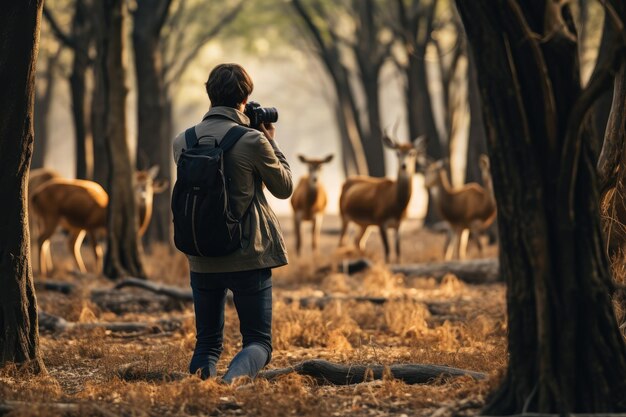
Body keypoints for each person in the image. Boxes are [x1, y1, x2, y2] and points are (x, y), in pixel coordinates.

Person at [172, 63, 293, 383]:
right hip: (247, 255)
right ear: (246, 97)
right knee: (258, 342)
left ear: (209, 94)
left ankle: (201, 390)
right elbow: (284, 188)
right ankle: (230, 387)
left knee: (208, 343)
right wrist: (270, 141)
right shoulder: (253, 140)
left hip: (201, 256)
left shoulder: (182, 141)